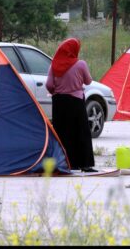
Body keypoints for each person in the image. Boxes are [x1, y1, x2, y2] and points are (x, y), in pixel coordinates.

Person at [46, 38, 97, 172]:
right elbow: (88, 81)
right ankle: (84, 164)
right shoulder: (81, 64)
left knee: (62, 133)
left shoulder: (54, 65)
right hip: (76, 102)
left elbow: (49, 85)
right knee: (81, 132)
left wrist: (56, 91)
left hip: (59, 103)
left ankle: (65, 163)